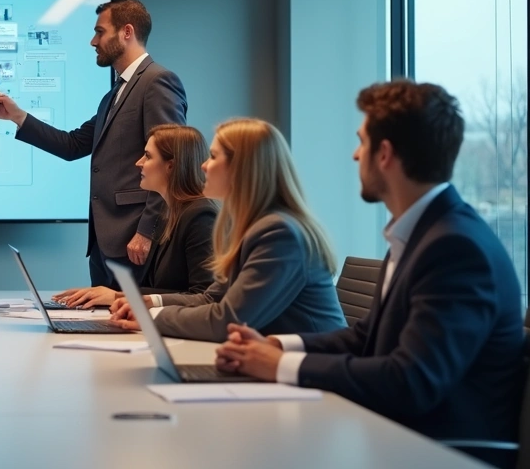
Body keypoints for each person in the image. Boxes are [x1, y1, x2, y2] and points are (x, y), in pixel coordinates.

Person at [214, 81, 524, 466]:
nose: (354, 154)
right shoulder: (424, 232)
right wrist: (279, 346)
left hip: (437, 452)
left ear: (385, 155)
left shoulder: (456, 248)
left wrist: (281, 366)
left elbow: (411, 381)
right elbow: (368, 337)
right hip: (393, 435)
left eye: (362, 142)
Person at [0, 0, 186, 287]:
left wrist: (147, 231)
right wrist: (17, 116)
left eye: (100, 31)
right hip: (106, 245)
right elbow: (72, 144)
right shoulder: (114, 94)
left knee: (131, 327)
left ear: (127, 32)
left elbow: (171, 162)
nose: (93, 41)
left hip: (135, 242)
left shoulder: (157, 82)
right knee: (103, 328)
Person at [108, 118, 346, 342]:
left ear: (241, 167)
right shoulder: (255, 225)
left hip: (313, 374)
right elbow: (211, 298)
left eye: (212, 156)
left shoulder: (279, 233)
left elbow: (228, 320)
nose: (203, 165)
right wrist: (146, 305)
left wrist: (150, 317)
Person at [53, 124, 217, 308]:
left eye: (147, 156)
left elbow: (204, 296)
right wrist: (111, 294)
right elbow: (163, 289)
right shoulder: (168, 213)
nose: (138, 163)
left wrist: (118, 297)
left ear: (170, 165)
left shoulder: (201, 216)